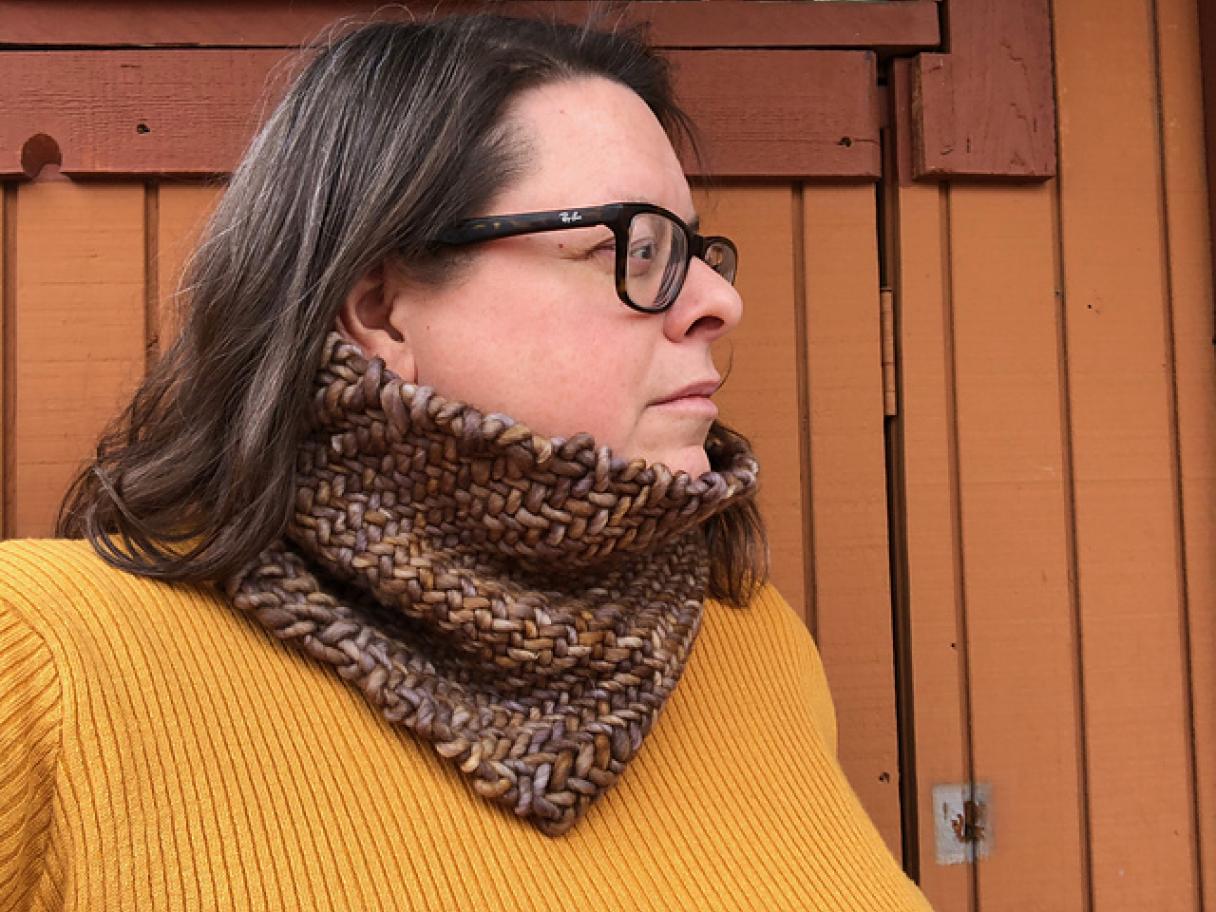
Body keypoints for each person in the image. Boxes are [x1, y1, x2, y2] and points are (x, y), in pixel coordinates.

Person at [0, 11, 935, 911]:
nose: (719, 301)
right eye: (639, 247)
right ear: (383, 307)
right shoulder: (40, 660)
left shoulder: (747, 645)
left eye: (695, 251)